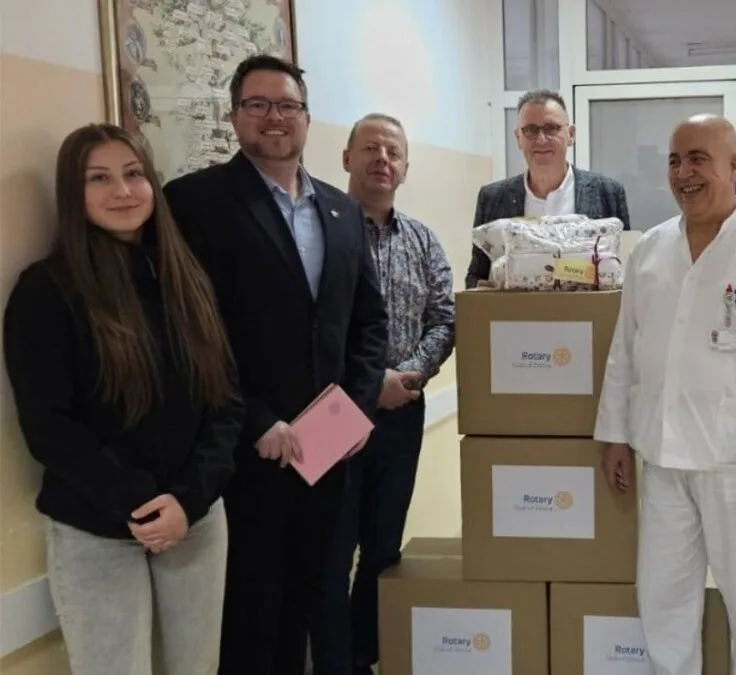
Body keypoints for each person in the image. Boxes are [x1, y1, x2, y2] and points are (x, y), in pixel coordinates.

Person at [163, 55, 389, 675]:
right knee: (249, 615)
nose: (274, 117)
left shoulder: (341, 211)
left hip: (327, 451)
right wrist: (257, 420)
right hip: (244, 450)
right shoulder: (194, 202)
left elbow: (367, 323)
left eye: (287, 105)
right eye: (258, 105)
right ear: (234, 116)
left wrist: (355, 412)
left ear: (307, 119)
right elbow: (191, 331)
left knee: (308, 602)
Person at [3, 123, 242, 674]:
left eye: (134, 174)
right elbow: (48, 425)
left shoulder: (186, 278)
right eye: (99, 178)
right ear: (73, 193)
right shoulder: (47, 290)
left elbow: (225, 400)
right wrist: (141, 504)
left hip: (194, 516)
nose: (123, 191)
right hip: (96, 526)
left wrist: (188, 499)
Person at [593, 114, 736, 675]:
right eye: (675, 161)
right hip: (663, 457)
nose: (684, 173)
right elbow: (626, 349)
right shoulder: (650, 249)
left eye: (699, 159)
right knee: (664, 603)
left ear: (733, 167)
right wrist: (615, 434)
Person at [311, 113, 455, 675]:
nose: (382, 160)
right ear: (346, 158)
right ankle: (331, 661)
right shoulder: (320, 231)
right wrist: (371, 386)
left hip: (402, 413)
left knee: (382, 544)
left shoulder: (421, 239)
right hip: (329, 412)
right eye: (370, 148)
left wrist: (407, 378)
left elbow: (445, 319)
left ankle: (365, 655)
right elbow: (308, 325)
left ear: (405, 167)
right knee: (330, 545)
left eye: (393, 152)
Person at [466, 89, 631, 288]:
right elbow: (475, 276)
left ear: (571, 135)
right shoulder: (493, 197)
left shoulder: (607, 192)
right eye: (530, 130)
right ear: (518, 138)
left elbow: (622, 272)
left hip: (588, 308)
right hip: (515, 309)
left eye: (551, 128)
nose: (541, 139)